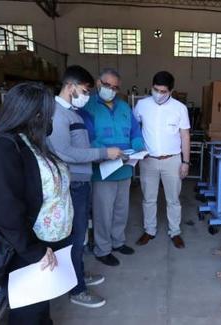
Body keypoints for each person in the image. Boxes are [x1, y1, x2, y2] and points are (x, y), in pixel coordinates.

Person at [0, 83, 73, 325]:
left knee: (39, 306)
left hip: (41, 244)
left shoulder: (28, 141)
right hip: (23, 247)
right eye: (47, 114)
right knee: (28, 311)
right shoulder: (1, 149)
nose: (50, 120)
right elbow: (3, 211)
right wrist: (34, 250)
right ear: (34, 115)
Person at [47, 66, 123, 308]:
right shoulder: (58, 114)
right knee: (75, 237)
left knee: (78, 236)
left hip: (81, 181)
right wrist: (104, 152)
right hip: (71, 184)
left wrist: (104, 156)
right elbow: (64, 152)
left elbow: (78, 149)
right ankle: (77, 289)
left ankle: (76, 274)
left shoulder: (72, 112)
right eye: (85, 90)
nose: (87, 95)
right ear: (71, 86)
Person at [80, 68, 144, 266]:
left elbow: (135, 131)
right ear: (98, 83)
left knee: (121, 210)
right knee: (103, 213)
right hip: (103, 170)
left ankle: (118, 242)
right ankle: (102, 249)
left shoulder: (124, 107)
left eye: (115, 87)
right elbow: (86, 139)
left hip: (125, 167)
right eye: (107, 86)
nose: (111, 90)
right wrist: (106, 153)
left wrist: (139, 148)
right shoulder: (87, 107)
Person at [134, 71, 191, 249]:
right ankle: (149, 230)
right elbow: (133, 129)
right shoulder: (141, 105)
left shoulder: (180, 108)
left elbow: (185, 136)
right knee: (148, 198)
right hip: (148, 160)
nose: (158, 94)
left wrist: (186, 162)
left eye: (163, 91)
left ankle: (175, 232)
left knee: (173, 199)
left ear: (171, 91)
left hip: (172, 160)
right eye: (155, 89)